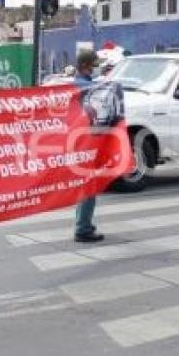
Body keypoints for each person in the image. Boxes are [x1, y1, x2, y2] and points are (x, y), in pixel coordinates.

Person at [72, 50, 104, 243]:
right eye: (93, 65)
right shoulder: (84, 86)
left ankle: (84, 224)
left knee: (86, 186)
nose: (95, 68)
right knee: (88, 186)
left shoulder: (80, 84)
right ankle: (83, 229)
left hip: (82, 140)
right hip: (83, 141)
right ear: (85, 66)